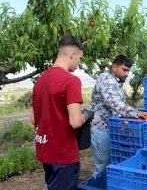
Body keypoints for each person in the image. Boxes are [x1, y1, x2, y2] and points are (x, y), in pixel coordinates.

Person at [31, 35, 93, 190]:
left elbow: (33, 119)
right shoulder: (71, 81)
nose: (79, 63)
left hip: (45, 151)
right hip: (64, 154)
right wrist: (87, 114)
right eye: (80, 58)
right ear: (72, 54)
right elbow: (75, 121)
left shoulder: (40, 80)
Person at [90, 55, 147, 180]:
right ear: (114, 67)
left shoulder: (114, 82)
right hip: (101, 129)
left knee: (110, 166)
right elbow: (113, 103)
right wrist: (135, 113)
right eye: (124, 70)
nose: (127, 74)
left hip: (110, 129)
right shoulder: (106, 79)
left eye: (128, 71)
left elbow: (119, 106)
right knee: (102, 168)